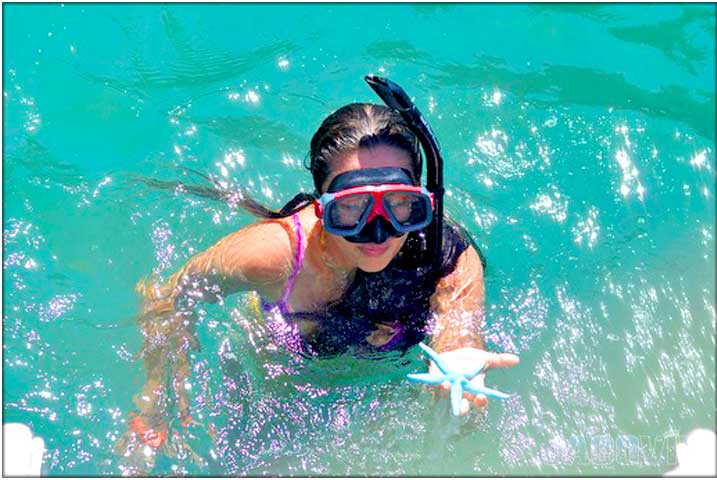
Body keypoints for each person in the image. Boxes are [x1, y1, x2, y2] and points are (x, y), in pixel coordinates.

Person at [117, 76, 520, 470]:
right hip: (282, 377)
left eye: (398, 204)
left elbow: (459, 336)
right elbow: (166, 294)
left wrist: (459, 366)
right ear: (322, 207)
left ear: (421, 202)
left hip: (376, 389)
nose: (377, 230)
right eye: (351, 208)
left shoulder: (446, 257)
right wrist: (155, 397)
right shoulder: (275, 254)